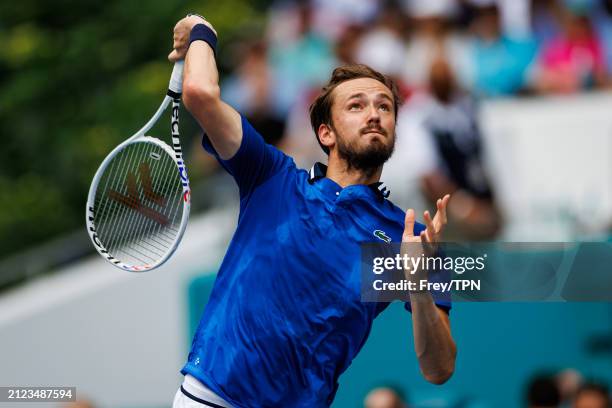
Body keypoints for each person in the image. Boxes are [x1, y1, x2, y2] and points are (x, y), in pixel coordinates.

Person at [168, 14, 456, 408]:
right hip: (210, 399)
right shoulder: (271, 178)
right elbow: (199, 92)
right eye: (356, 105)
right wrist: (201, 31)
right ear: (326, 133)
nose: (374, 114)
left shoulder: (407, 239)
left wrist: (419, 282)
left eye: (384, 107)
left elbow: (438, 369)